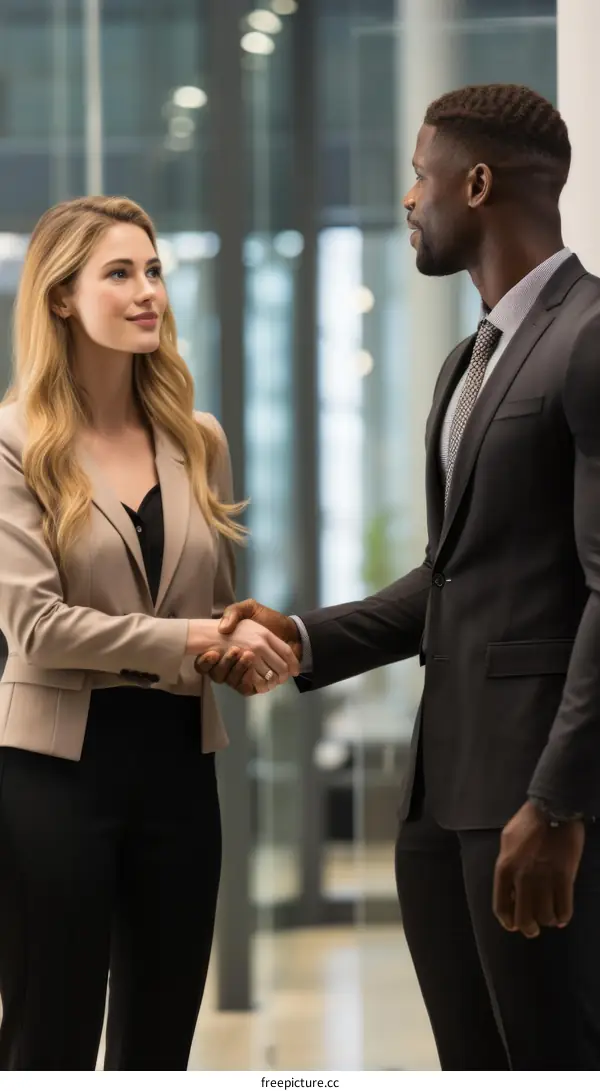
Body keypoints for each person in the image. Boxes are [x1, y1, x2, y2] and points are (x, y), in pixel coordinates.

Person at [197, 85, 600, 1070]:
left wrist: (558, 802)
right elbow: (456, 575)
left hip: (532, 805)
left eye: (420, 173)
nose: (407, 196)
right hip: (440, 800)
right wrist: (301, 635)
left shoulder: (590, 336)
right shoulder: (470, 359)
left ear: (476, 180)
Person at [0, 195, 298, 1071]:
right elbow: (35, 625)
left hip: (179, 762)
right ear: (60, 295)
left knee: (160, 1042)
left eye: (155, 270)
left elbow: (217, 606)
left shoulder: (195, 438)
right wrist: (195, 635)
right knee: (47, 1039)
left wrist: (244, 651)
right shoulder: (15, 440)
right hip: (53, 772)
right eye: (120, 273)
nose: (148, 293)